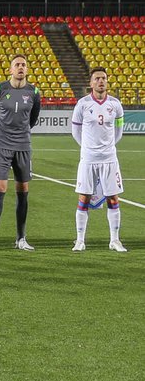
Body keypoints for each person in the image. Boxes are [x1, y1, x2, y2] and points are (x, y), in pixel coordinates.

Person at [0, 54, 41, 251]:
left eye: (23, 65)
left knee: (23, 190)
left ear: (27, 69)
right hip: (2, 145)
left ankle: (21, 238)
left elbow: (33, 118)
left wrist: (20, 133)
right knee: (0, 188)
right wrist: (3, 133)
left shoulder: (34, 92)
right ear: (10, 69)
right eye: (17, 64)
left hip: (23, 145)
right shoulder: (0, 89)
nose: (20, 67)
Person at [71, 67, 126, 252]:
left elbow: (118, 131)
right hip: (88, 159)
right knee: (84, 197)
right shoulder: (83, 104)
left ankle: (114, 240)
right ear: (91, 83)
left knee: (113, 198)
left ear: (107, 81)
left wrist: (107, 148)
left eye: (103, 78)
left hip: (109, 159)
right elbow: (75, 131)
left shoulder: (115, 105)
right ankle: (80, 240)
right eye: (97, 79)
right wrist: (88, 148)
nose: (100, 81)